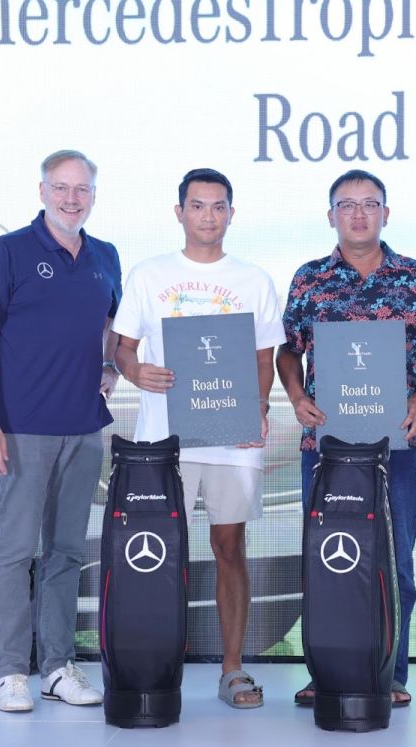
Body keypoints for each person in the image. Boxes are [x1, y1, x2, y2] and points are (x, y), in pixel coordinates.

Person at [278, 169, 416, 707]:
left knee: (396, 563)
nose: (358, 214)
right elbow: (287, 349)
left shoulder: (414, 277)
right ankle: (325, 671)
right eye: (347, 204)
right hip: (325, 448)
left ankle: (390, 672)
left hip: (395, 446)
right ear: (331, 215)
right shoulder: (309, 279)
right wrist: (295, 396)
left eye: (369, 204)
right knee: (328, 561)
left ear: (386, 213)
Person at [112, 168, 284, 709]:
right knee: (161, 553)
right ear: (179, 212)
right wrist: (135, 371)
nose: (208, 216)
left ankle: (232, 669)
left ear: (231, 213)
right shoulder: (149, 275)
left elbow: (264, 359)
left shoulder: (253, 280)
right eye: (197, 205)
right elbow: (121, 347)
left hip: (232, 438)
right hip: (167, 439)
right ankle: (157, 668)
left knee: (230, 547)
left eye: (218, 206)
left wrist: (258, 409)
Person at [0, 150, 121, 713]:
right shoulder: (7, 251)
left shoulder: (105, 256)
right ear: (42, 191)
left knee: (66, 554)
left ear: (93, 196)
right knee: (14, 553)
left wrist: (110, 363)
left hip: (84, 428)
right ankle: (10, 673)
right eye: (61, 188)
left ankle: (57, 667)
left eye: (82, 189)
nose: (71, 199)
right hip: (22, 428)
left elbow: (109, 323)